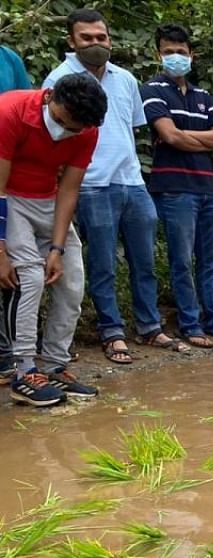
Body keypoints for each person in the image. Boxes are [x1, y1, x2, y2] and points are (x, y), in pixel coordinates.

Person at [45, 9, 182, 363]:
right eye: (87, 38)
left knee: (144, 261)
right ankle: (112, 332)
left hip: (132, 181)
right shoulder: (59, 79)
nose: (96, 43)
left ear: (110, 39)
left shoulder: (125, 79)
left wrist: (132, 170)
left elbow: (133, 127)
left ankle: (150, 327)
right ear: (71, 41)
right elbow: (53, 135)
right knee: (103, 263)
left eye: (101, 37)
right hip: (90, 183)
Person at [0, 75, 106, 405]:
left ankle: (55, 365)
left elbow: (70, 188)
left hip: (48, 200)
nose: (65, 132)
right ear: (50, 99)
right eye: (62, 122)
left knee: (73, 279)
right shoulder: (10, 112)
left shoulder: (86, 129)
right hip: (9, 199)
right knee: (29, 278)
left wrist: (58, 248)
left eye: (73, 129)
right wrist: (0, 249)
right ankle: (23, 371)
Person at [142, 25, 213, 351]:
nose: (176, 57)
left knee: (211, 259)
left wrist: (186, 138)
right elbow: (169, 136)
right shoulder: (152, 90)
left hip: (207, 187)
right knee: (182, 260)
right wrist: (202, 139)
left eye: (181, 52)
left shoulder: (203, 96)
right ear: (159, 55)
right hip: (173, 188)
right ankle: (190, 323)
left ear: (191, 55)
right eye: (169, 52)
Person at [0, 43, 32, 379]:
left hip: (9, 172)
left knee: (11, 269)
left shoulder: (9, 57)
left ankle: (7, 355)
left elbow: (27, 111)